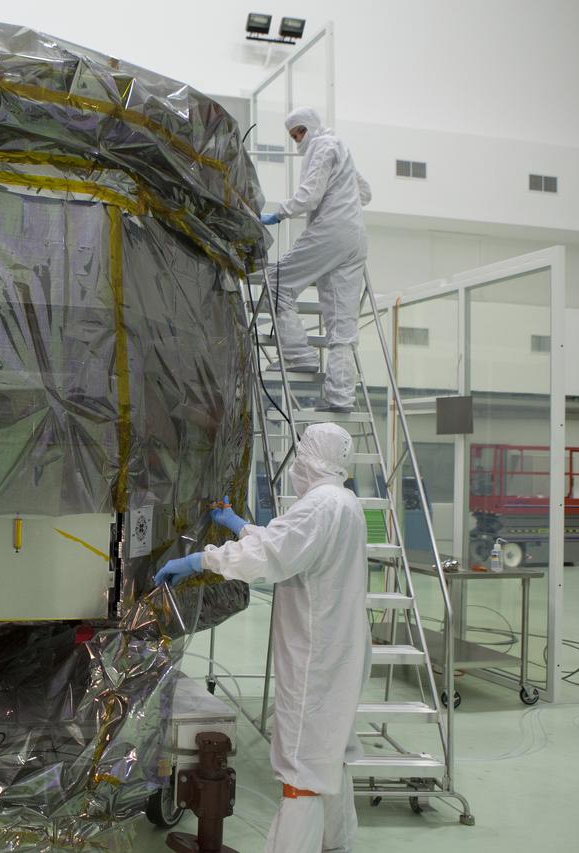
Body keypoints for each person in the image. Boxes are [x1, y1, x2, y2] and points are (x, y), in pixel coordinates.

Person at [154, 422, 370, 853]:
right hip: (340, 651)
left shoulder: (320, 506)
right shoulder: (345, 502)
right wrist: (239, 524)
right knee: (330, 753)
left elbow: (271, 557)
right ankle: (335, 843)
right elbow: (285, 546)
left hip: (315, 658)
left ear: (309, 457)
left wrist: (200, 559)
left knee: (302, 769)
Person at [259, 107, 371, 414]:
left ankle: (299, 356)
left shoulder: (322, 146)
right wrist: (343, 199)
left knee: (276, 283)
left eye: (300, 132)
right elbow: (366, 192)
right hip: (355, 240)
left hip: (330, 233)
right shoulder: (339, 146)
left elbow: (309, 196)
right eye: (293, 135)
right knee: (342, 329)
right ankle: (340, 398)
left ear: (311, 126)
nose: (298, 140)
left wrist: (278, 212)